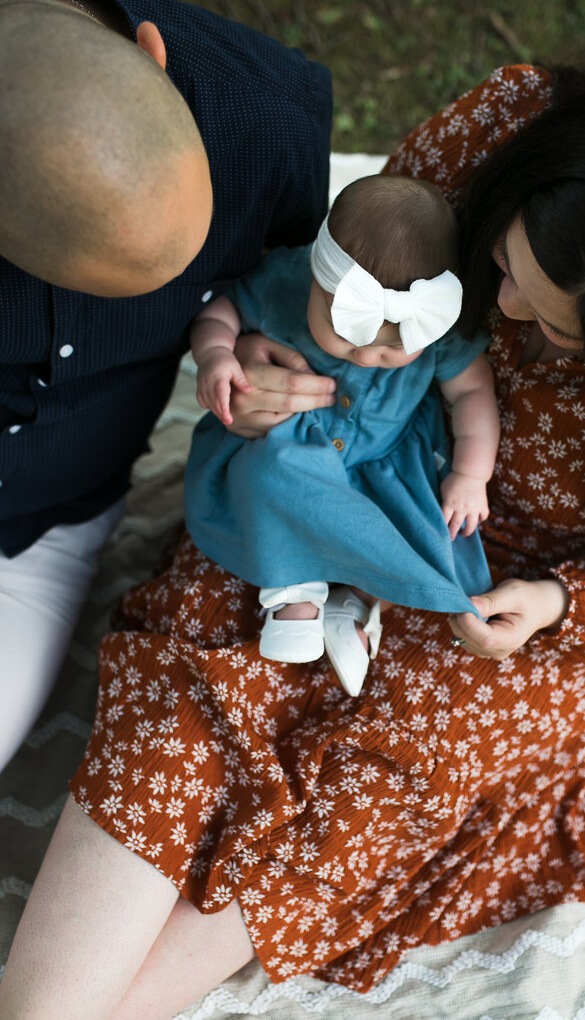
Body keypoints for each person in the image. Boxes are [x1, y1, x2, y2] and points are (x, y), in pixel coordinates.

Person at [2, 62, 585, 1020]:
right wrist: (274, 363)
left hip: (518, 603)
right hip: (362, 469)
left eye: (562, 332)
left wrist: (561, 599)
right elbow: (337, 273)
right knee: (208, 665)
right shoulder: (509, 121)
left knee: (374, 769)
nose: (505, 309)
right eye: (508, 269)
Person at [0, 0, 332, 773]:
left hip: (45, 530)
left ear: (153, 53)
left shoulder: (271, 122)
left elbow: (278, 301)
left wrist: (250, 357)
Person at [186, 174, 499, 695]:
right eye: (351, 333)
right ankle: (294, 591)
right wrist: (215, 352)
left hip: (384, 460)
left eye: (395, 347)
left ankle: (356, 600)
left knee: (410, 527)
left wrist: (471, 474)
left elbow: (472, 394)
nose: (369, 355)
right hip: (294, 443)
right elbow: (223, 308)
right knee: (275, 474)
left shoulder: (442, 332)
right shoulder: (283, 279)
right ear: (315, 275)